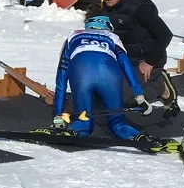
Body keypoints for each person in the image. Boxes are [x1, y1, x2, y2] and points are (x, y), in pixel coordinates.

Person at [52, 14, 168, 152]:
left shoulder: (73, 36)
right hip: (109, 73)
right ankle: (140, 138)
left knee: (83, 122)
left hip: (81, 71)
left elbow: (61, 78)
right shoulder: (113, 37)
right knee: (117, 124)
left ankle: (71, 131)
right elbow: (127, 67)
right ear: (108, 28)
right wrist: (139, 96)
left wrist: (58, 116)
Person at [95, 0, 179, 113]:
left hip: (147, 60)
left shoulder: (140, 7)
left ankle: (160, 85)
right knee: (101, 90)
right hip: (126, 58)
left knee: (123, 97)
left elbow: (165, 35)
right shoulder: (107, 5)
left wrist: (150, 62)